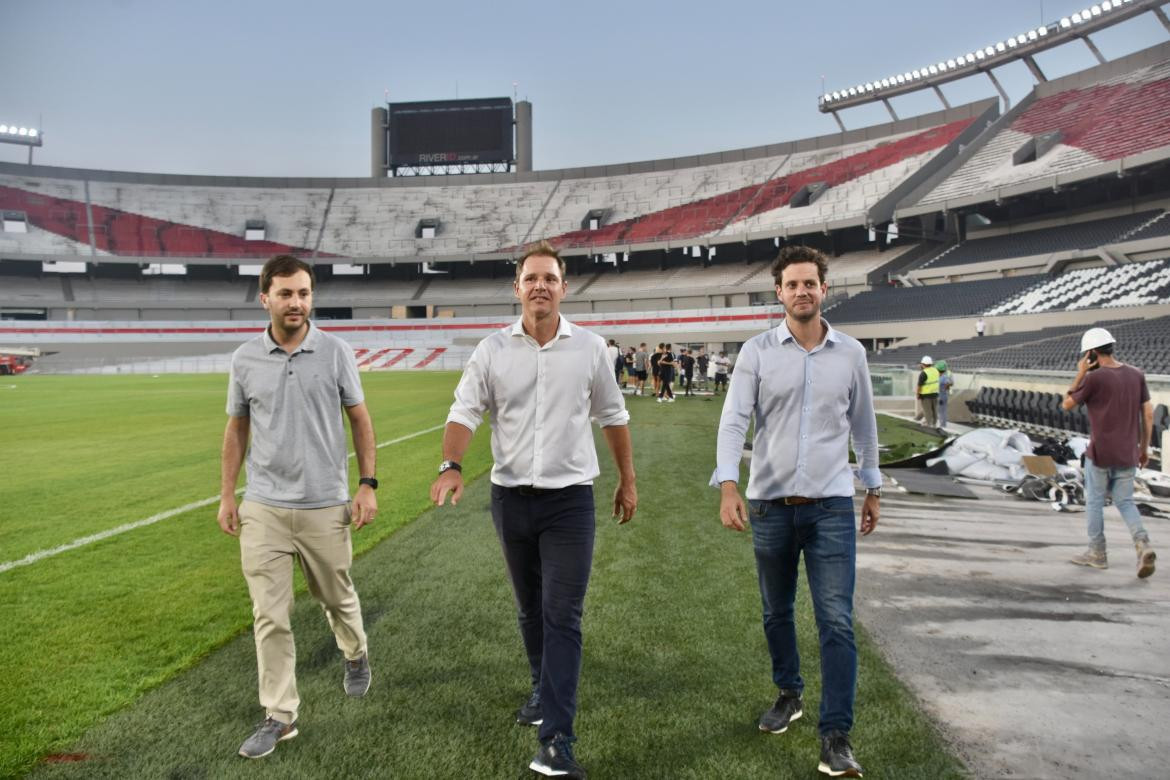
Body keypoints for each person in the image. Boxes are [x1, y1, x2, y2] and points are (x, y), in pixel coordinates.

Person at [430, 240, 638, 779]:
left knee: (562, 615)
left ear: (563, 287)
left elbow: (613, 417)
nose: (540, 286)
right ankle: (542, 688)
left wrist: (626, 481)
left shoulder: (592, 348)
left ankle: (557, 742)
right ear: (517, 288)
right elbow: (464, 412)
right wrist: (450, 465)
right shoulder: (492, 350)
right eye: (531, 278)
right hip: (510, 502)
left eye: (550, 277)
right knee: (529, 610)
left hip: (570, 503)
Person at [713, 244, 880, 779]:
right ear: (778, 292)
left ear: (824, 290)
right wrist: (728, 485)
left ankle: (835, 736)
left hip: (831, 504)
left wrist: (872, 487)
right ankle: (789, 693)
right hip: (769, 504)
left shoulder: (851, 353)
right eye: (793, 284)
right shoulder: (757, 351)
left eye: (811, 283)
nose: (802, 291)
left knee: (836, 620)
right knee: (776, 612)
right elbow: (734, 421)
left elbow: (865, 427)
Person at [217, 254, 378, 760]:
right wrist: (228, 493)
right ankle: (280, 715)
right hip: (262, 506)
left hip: (324, 504)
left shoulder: (335, 352)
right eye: (286, 293)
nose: (296, 302)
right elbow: (236, 428)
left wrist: (367, 483)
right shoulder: (244, 359)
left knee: (336, 596)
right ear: (265, 297)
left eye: (304, 293)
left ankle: (355, 653)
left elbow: (360, 418)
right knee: (270, 615)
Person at [1062, 327, 1156, 578]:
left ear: (1091, 353)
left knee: (1094, 501)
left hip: (1101, 453)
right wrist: (1143, 449)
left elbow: (1067, 404)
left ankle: (1097, 553)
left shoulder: (1094, 378)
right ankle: (1143, 543)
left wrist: (1081, 373)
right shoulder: (1137, 374)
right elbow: (1148, 415)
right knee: (1125, 501)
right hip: (1128, 453)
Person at [916, 356, 940, 428]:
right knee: (934, 409)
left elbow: (919, 385)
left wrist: (918, 394)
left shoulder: (923, 373)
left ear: (923, 364)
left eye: (921, 364)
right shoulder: (936, 370)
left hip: (926, 395)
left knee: (927, 410)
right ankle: (934, 423)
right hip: (935, 393)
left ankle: (928, 424)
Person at [936, 360, 954, 431]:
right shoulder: (944, 375)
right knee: (942, 410)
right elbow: (950, 383)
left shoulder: (943, 377)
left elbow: (949, 383)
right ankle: (942, 424)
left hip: (942, 394)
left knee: (942, 411)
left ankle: (943, 425)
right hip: (943, 394)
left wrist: (946, 386)